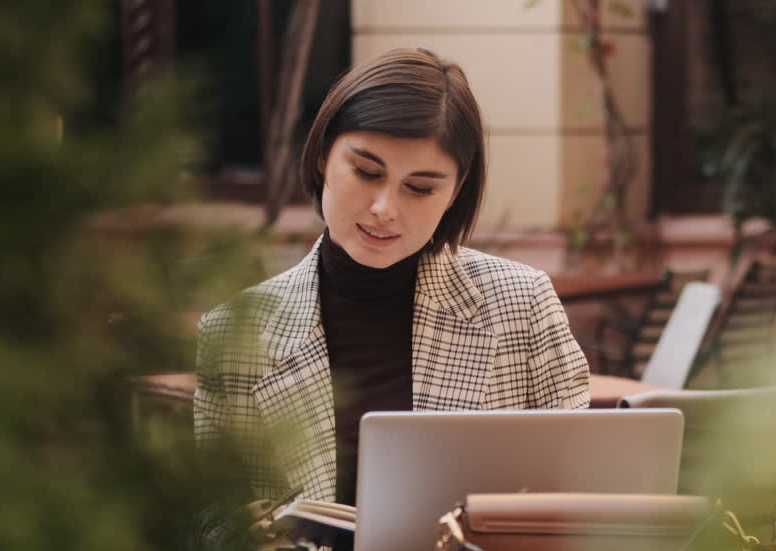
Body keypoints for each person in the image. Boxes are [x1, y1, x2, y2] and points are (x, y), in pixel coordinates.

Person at [195, 48, 591, 507]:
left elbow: (580, 496)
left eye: (420, 188)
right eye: (366, 172)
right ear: (324, 157)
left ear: (455, 191)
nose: (385, 208)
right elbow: (212, 522)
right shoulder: (234, 334)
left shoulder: (522, 304)